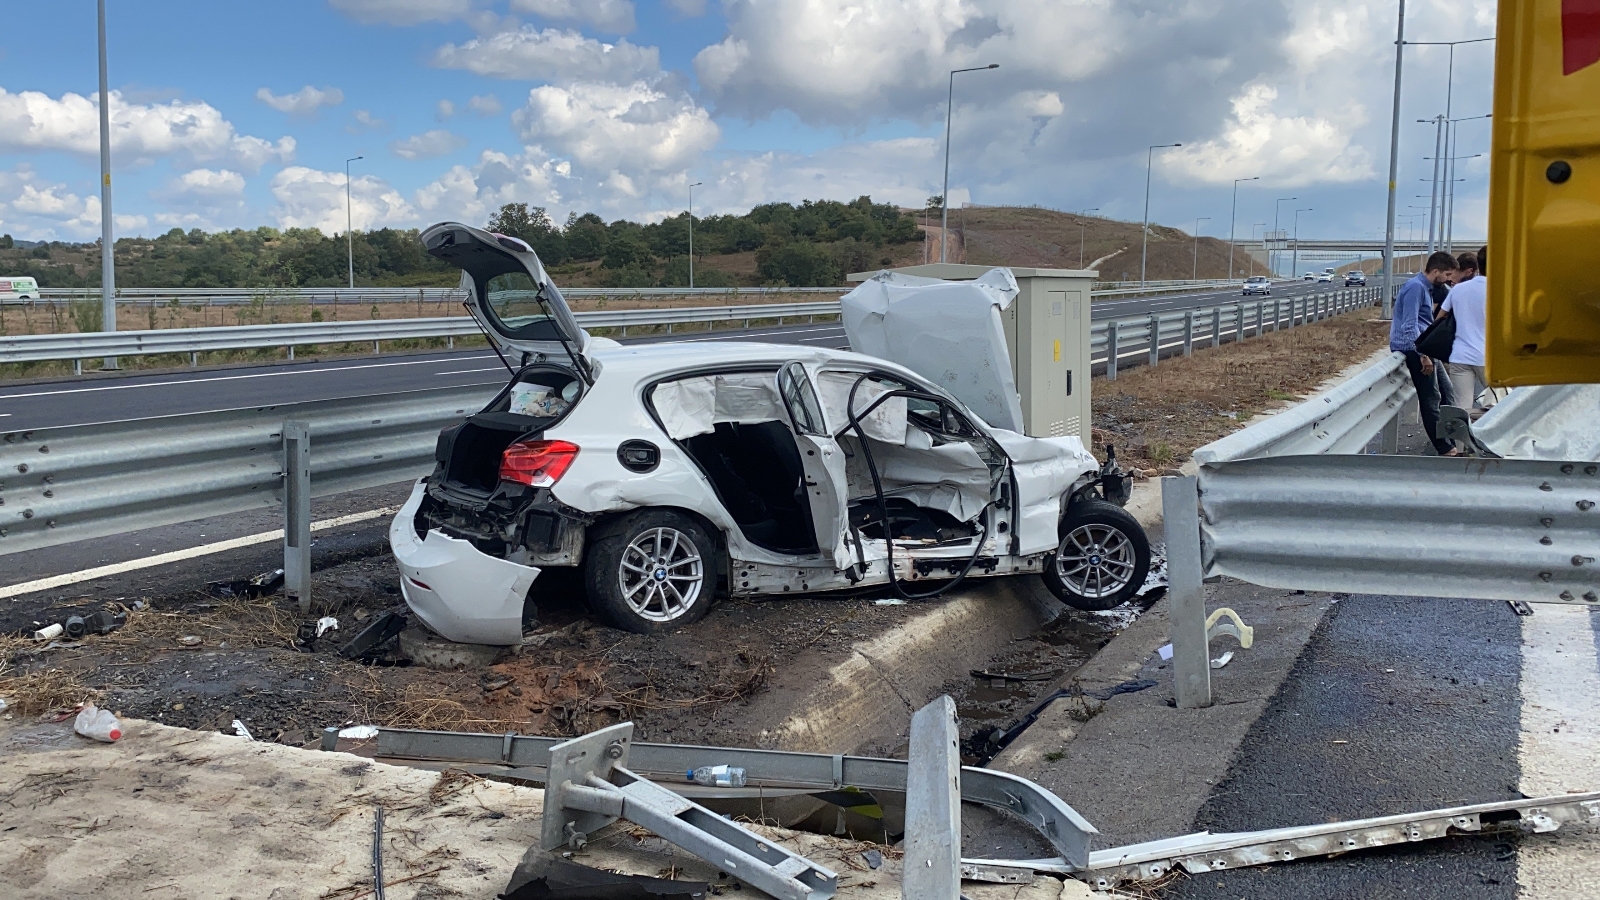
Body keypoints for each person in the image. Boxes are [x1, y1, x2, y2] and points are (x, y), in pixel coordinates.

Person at [1390, 251, 1460, 456]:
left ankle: (1453, 440)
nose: (1449, 280)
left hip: (1424, 347)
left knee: (1447, 393)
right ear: (1435, 271)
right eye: (1447, 275)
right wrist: (1422, 354)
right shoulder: (1416, 288)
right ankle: (1444, 448)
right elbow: (1409, 325)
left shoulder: (1429, 288)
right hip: (1413, 349)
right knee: (1431, 398)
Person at [1442, 246, 1490, 414]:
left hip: (1460, 355)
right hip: (1488, 357)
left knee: (1461, 408)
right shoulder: (1500, 290)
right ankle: (1486, 435)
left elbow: (1439, 318)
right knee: (1498, 407)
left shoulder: (1458, 289)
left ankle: (1462, 438)